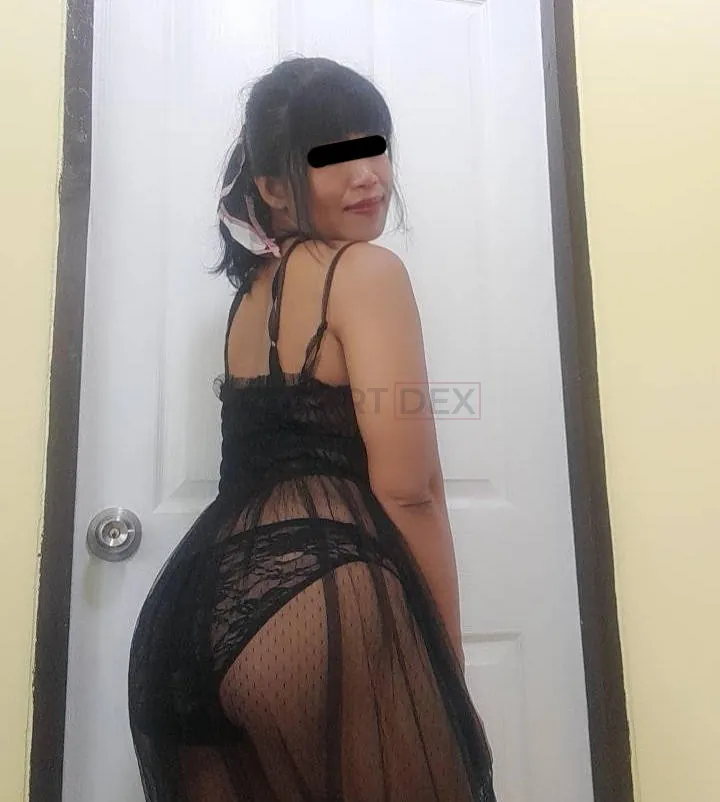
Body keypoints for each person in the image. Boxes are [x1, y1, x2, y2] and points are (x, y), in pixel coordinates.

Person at [128, 55, 496, 802]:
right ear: (270, 186)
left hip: (189, 619)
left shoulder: (251, 295)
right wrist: (444, 658)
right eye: (332, 157)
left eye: (375, 147)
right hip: (321, 603)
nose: (368, 176)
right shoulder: (365, 272)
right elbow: (410, 490)